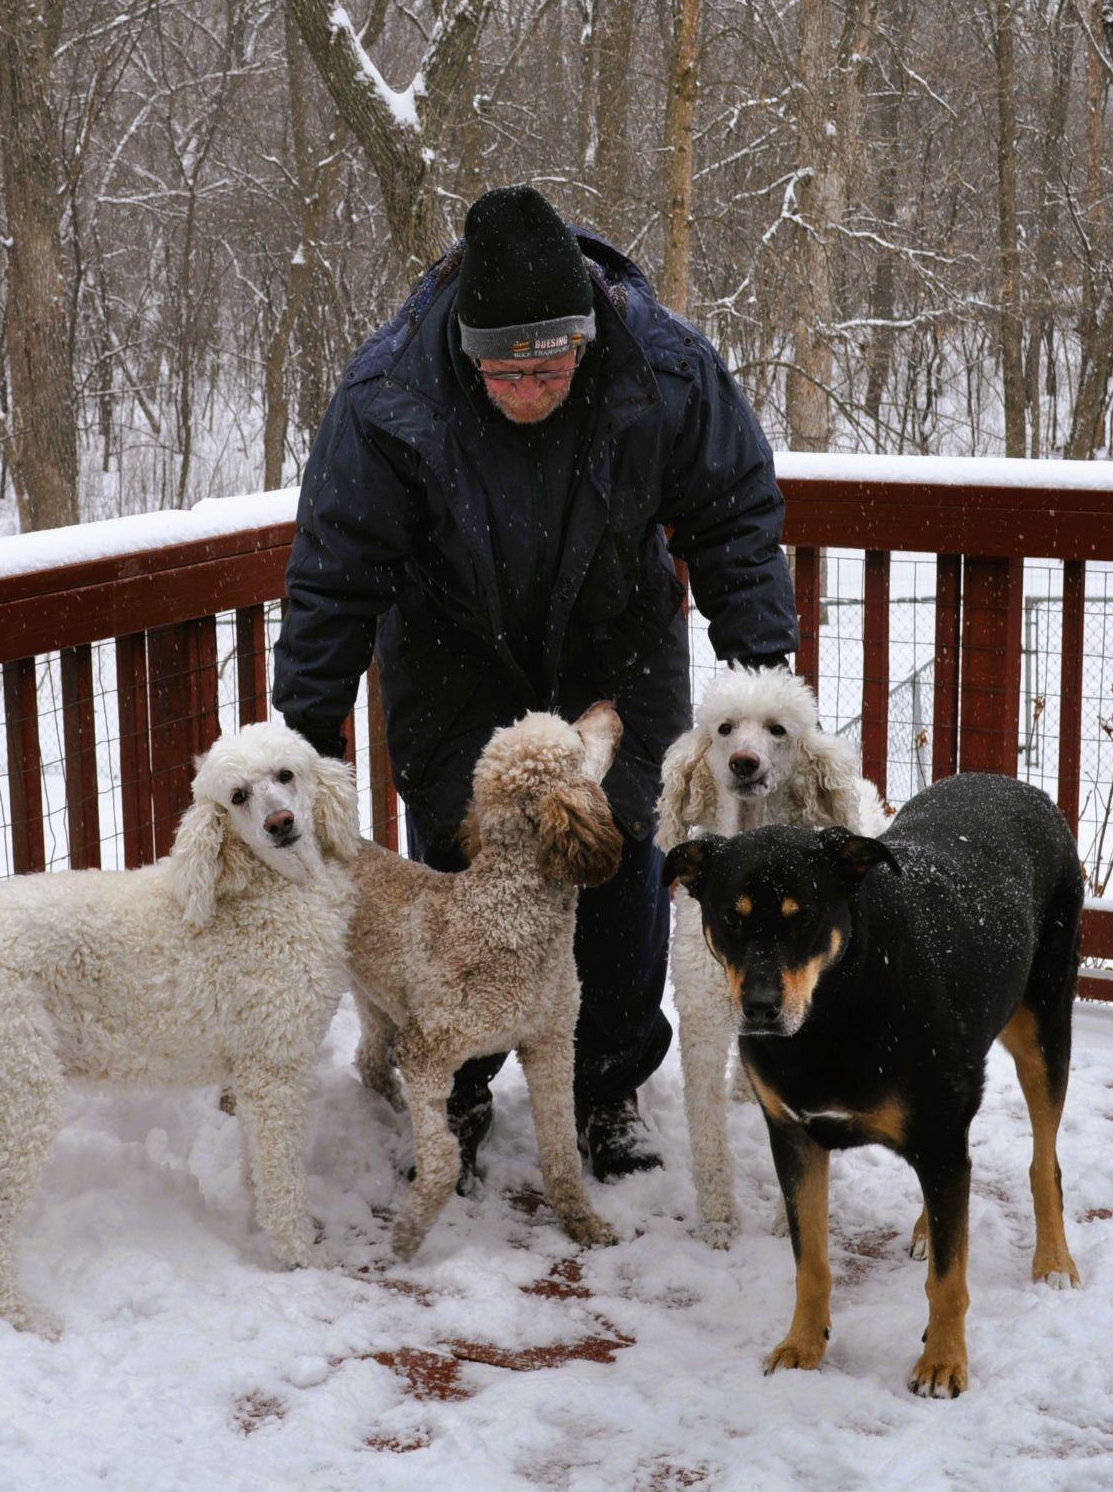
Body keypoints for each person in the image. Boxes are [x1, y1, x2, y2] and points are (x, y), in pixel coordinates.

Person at [272, 184, 797, 1183]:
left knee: (622, 849)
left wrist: (760, 667)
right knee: (460, 858)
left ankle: (604, 1087)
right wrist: (308, 731)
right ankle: (459, 1084)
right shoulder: (390, 396)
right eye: (500, 368)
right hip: (451, 647)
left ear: (586, 334)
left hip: (617, 640)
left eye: (547, 362)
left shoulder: (665, 369)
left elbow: (733, 513)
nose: (524, 384)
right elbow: (336, 567)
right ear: (467, 349)